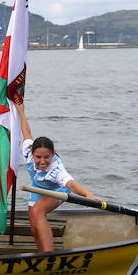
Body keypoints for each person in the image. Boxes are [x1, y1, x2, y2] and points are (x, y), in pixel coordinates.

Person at [20, 107, 99, 252]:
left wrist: (89, 195)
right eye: (38, 157)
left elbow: (71, 184)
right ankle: (40, 252)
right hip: (37, 188)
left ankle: (49, 255)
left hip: (57, 190)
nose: (42, 161)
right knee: (33, 226)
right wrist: (20, 110)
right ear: (32, 154)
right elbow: (26, 131)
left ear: (52, 155)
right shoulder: (27, 151)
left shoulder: (56, 170)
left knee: (38, 211)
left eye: (47, 157)